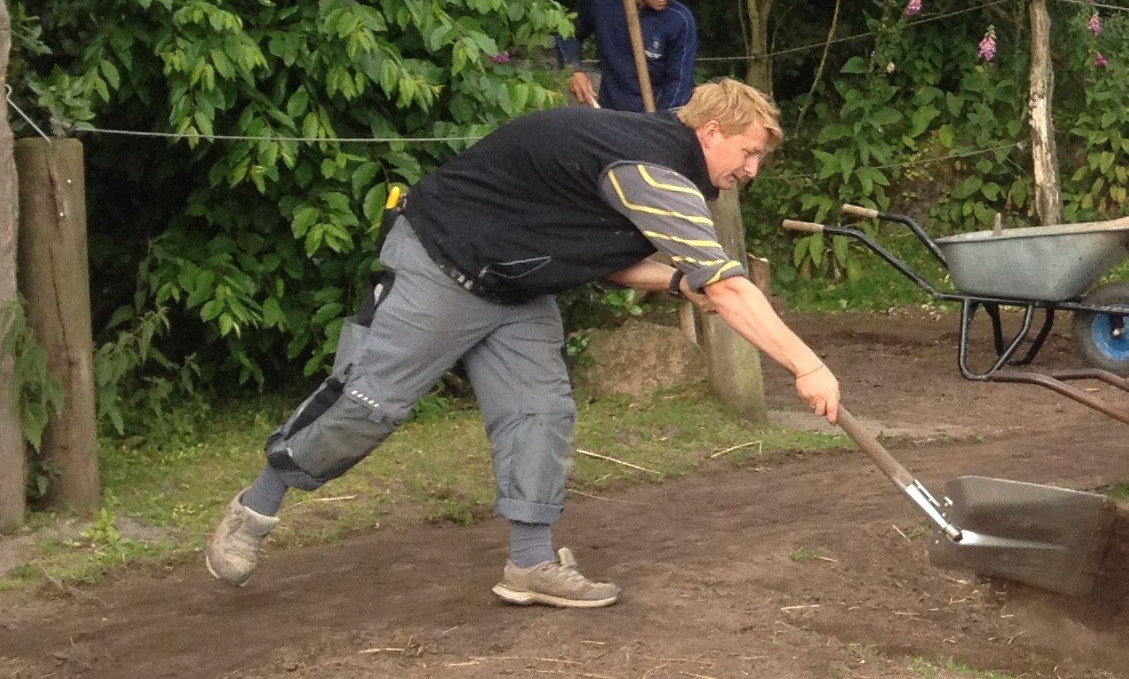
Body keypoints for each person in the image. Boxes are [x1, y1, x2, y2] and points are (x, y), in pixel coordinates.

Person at [202, 81, 840, 607]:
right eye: (749, 152)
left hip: (518, 290)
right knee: (368, 406)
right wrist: (806, 367)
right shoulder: (651, 170)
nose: (752, 169)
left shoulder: (656, 165)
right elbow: (730, 289)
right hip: (440, 264)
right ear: (711, 134)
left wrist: (675, 280)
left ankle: (531, 563)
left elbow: (599, 251)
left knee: (542, 412)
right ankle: (255, 510)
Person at [560, 0, 698, 114]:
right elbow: (567, 31)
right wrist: (574, 70)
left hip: (652, 116)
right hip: (610, 111)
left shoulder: (679, 19)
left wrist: (662, 123)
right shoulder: (601, 2)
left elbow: (679, 83)